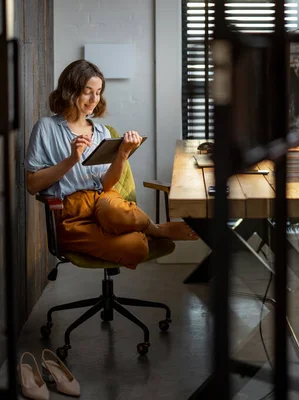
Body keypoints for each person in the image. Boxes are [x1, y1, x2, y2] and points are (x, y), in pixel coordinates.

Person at [24, 59, 197, 269]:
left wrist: (123, 153)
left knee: (116, 212)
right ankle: (154, 230)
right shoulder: (46, 127)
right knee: (138, 248)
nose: (94, 99)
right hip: (72, 213)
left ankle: (153, 229)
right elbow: (32, 185)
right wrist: (71, 160)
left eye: (98, 92)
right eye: (88, 91)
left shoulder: (102, 133)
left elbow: (106, 185)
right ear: (70, 90)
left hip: (103, 199)